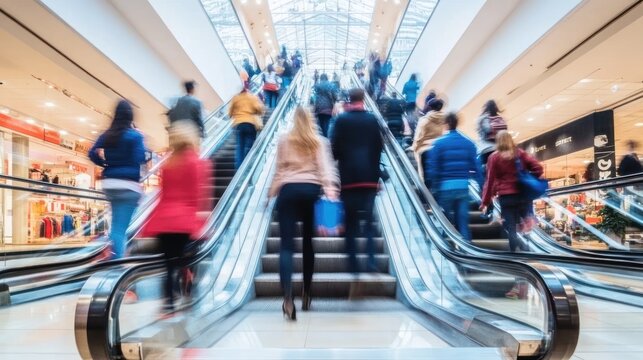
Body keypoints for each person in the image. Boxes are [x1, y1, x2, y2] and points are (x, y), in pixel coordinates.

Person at [269, 106, 339, 320]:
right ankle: (306, 293)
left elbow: (279, 170)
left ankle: (288, 298)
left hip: (288, 192)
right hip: (311, 192)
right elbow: (326, 169)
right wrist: (331, 190)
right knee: (308, 244)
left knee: (286, 246)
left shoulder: (283, 140)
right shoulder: (319, 141)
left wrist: (270, 192)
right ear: (311, 120)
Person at [141, 121, 212, 312]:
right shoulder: (198, 162)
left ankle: (168, 302)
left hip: (163, 220)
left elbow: (163, 194)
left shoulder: (169, 164)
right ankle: (189, 290)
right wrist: (202, 221)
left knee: (168, 265)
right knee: (187, 258)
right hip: (184, 221)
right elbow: (198, 195)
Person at [331, 88, 383, 275]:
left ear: (349, 99)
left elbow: (334, 150)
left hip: (348, 181)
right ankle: (371, 262)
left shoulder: (341, 120)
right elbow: (379, 148)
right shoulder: (372, 120)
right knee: (368, 223)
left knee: (351, 224)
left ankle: (353, 266)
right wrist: (377, 176)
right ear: (363, 99)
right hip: (369, 180)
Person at [89, 100, 147, 259]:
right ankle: (116, 264)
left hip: (110, 183)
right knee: (120, 228)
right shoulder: (135, 136)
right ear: (130, 116)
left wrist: (105, 163)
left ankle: (114, 255)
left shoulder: (108, 134)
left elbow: (91, 152)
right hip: (128, 185)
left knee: (117, 225)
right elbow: (140, 158)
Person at [481, 130, 543, 252]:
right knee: (525, 223)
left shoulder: (494, 157)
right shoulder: (520, 153)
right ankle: (527, 249)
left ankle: (514, 253)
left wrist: (485, 201)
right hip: (522, 195)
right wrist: (528, 177)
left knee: (511, 227)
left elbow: (489, 181)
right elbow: (538, 168)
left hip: (506, 198)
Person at [428, 113, 481, 241]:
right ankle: (468, 253)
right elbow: (476, 168)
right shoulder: (468, 143)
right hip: (463, 187)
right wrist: (481, 187)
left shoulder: (439, 144)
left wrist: (433, 189)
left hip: (445, 189)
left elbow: (434, 169)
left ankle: (447, 250)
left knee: (446, 222)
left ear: (445, 124)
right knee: (463, 223)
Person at [411, 99, 445, 188]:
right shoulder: (444, 120)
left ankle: (425, 193)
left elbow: (419, 136)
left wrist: (414, 147)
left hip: (424, 149)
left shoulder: (425, 120)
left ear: (429, 107)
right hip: (438, 148)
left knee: (423, 174)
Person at [228, 88, 265, 168]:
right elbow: (259, 109)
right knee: (249, 146)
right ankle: (246, 165)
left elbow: (230, 112)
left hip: (239, 124)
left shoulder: (236, 98)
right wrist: (256, 112)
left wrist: (235, 114)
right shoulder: (252, 97)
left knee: (240, 147)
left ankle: (238, 168)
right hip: (250, 124)